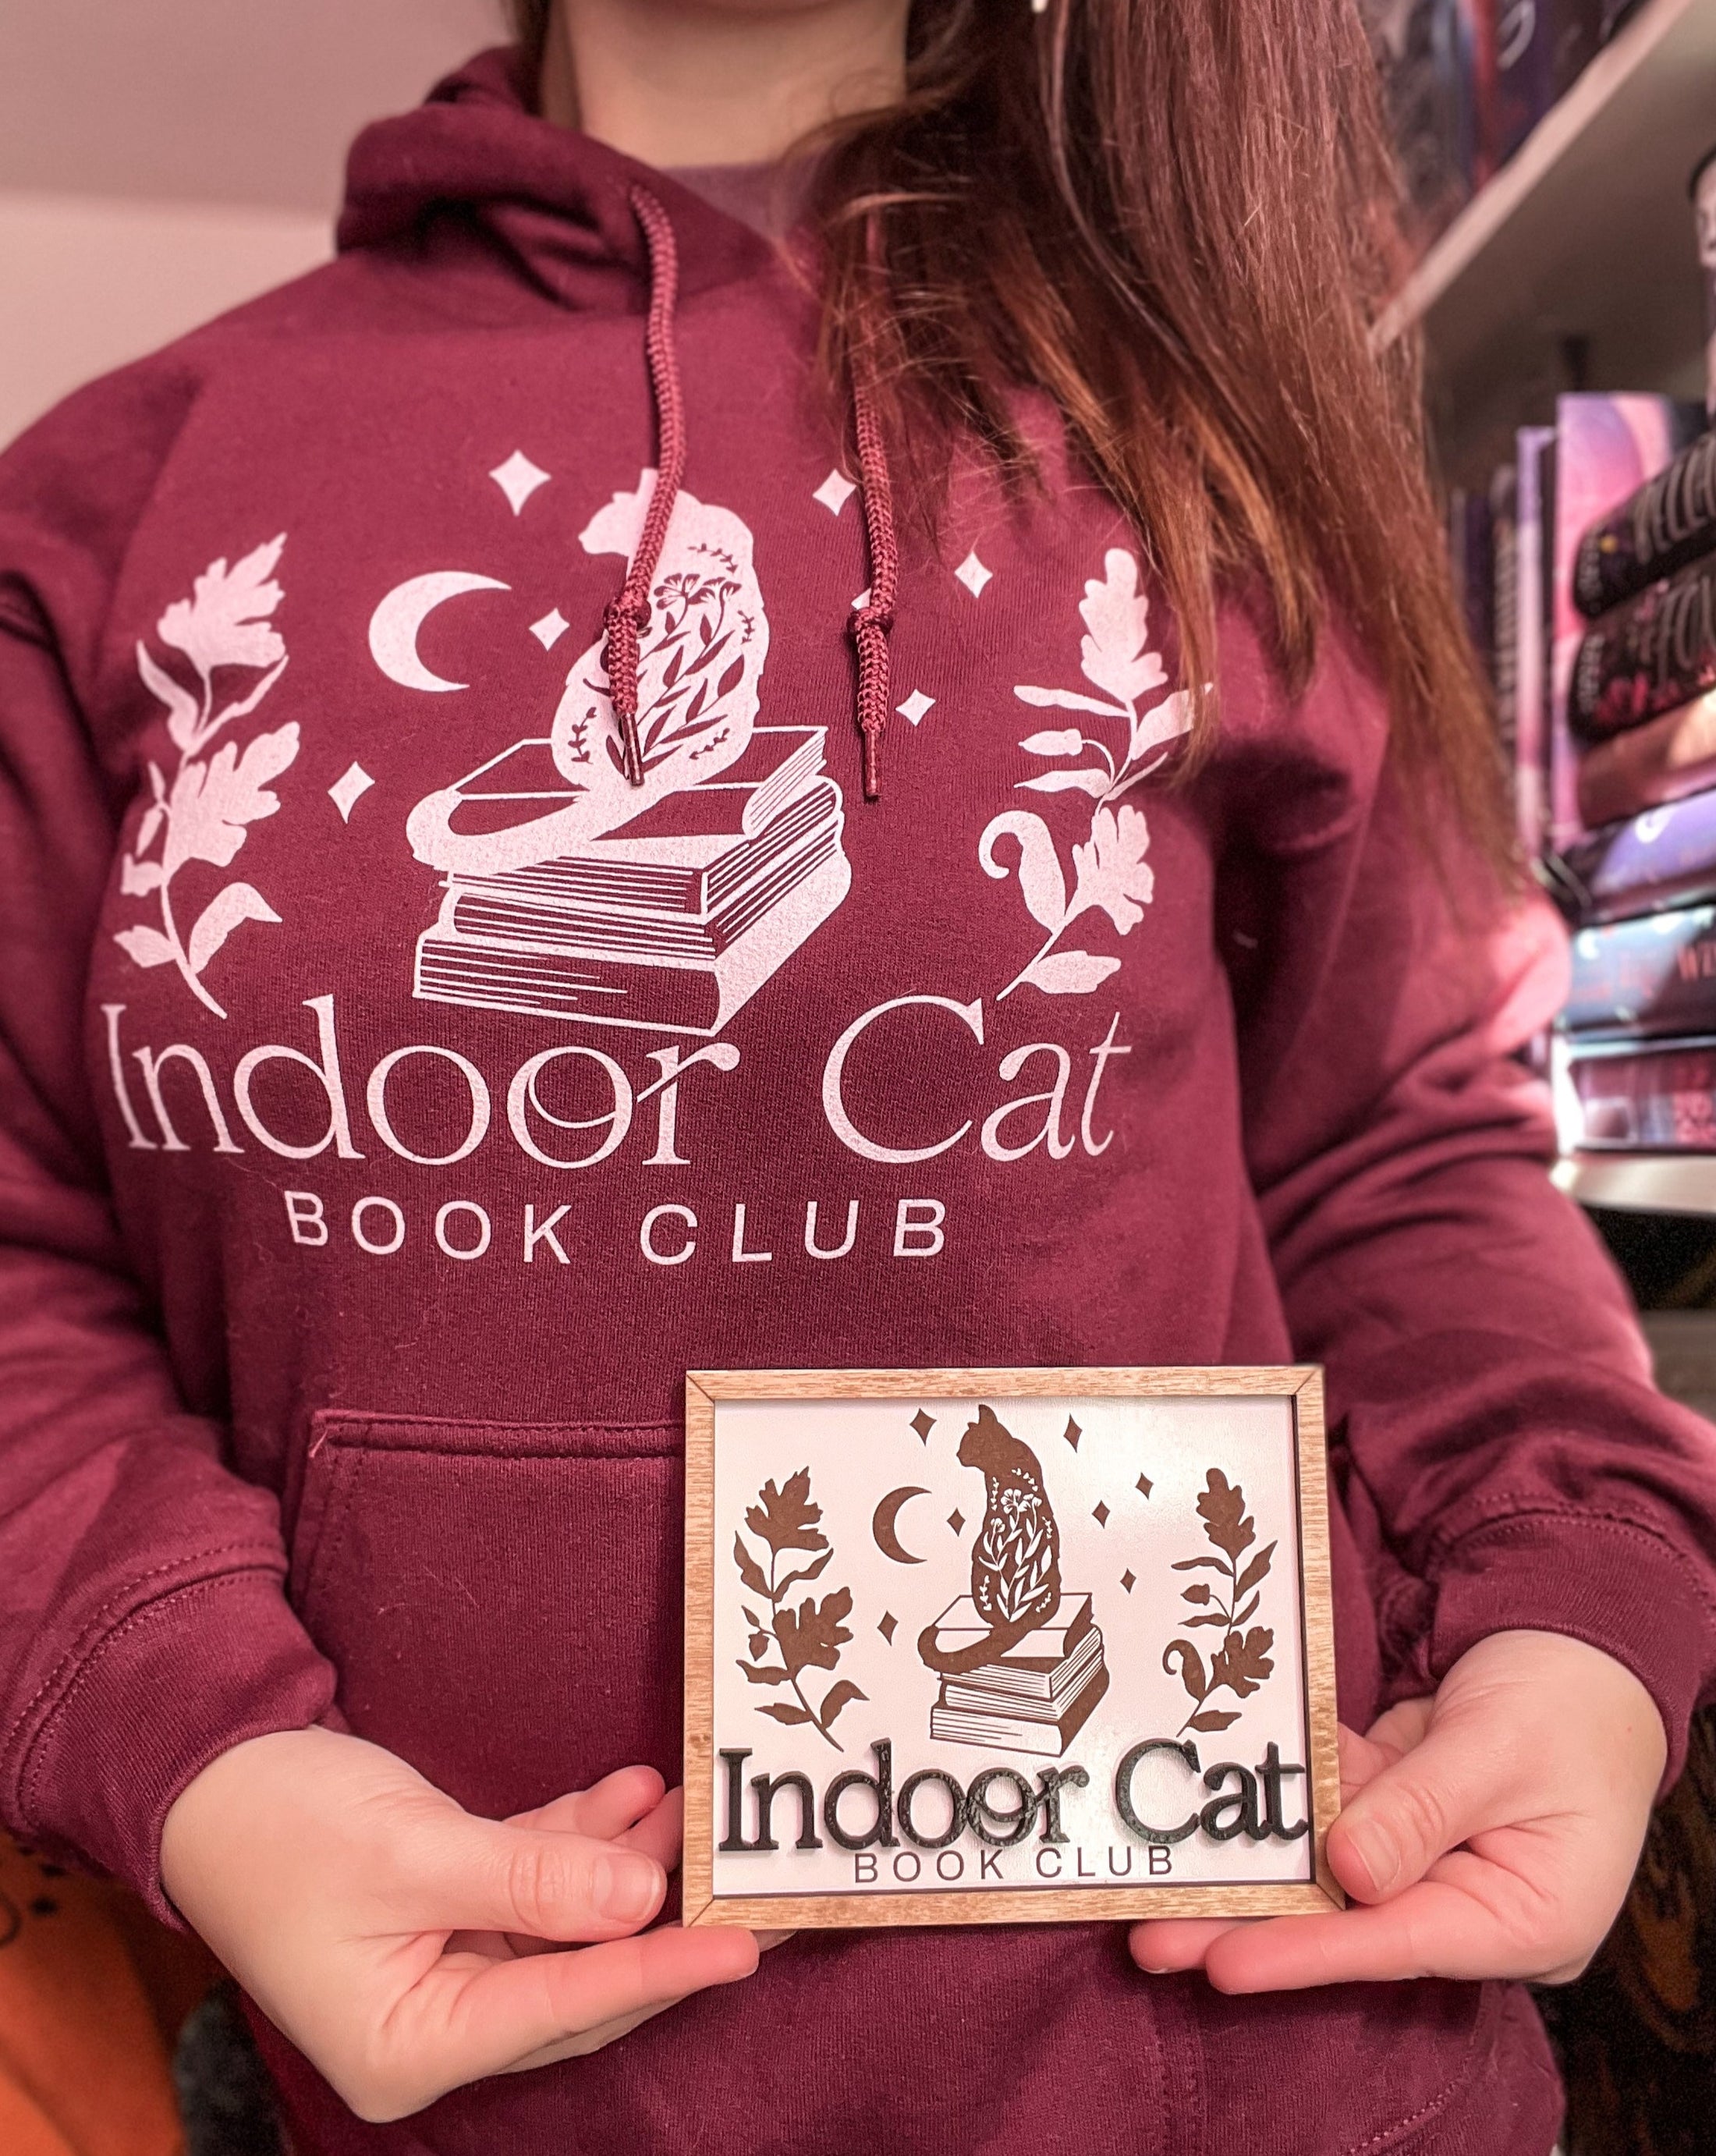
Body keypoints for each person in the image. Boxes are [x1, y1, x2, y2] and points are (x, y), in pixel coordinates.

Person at [0, 2, 1709, 2150]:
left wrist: (1581, 1603)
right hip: (473, 2098)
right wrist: (202, 1750)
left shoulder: (1200, 429)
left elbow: (1394, 1136)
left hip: (1256, 2048)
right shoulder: (112, 507)